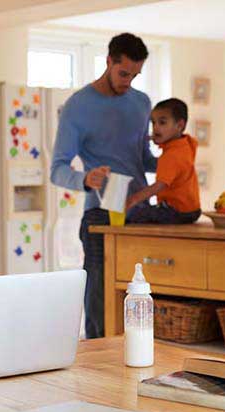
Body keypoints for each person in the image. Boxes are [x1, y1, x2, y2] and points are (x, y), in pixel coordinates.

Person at [50, 33, 155, 339]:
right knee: (101, 301)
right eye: (123, 74)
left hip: (139, 211)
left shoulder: (141, 102)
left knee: (142, 295)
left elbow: (143, 158)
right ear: (108, 62)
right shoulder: (78, 106)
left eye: (135, 75)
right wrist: (84, 178)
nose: (128, 82)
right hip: (101, 212)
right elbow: (57, 169)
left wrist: (177, 159)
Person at [125, 98, 202, 224]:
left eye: (162, 123)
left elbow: (159, 186)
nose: (155, 128)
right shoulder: (186, 144)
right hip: (192, 210)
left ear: (179, 125)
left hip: (175, 211)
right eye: (153, 123)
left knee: (133, 213)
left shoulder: (171, 155)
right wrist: (152, 139)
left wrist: (134, 199)